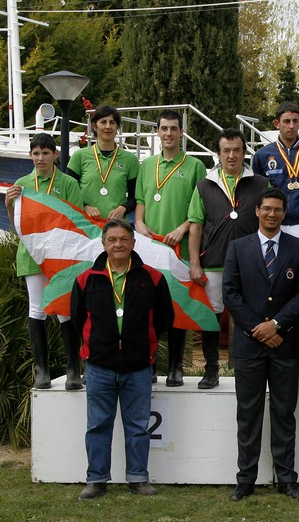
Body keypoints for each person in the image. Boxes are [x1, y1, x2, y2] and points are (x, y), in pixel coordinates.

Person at [222, 187, 299, 502]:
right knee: (247, 414)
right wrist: (257, 329)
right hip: (249, 346)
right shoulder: (237, 247)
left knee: (284, 414)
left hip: (285, 343)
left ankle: (286, 479)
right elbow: (230, 293)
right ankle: (245, 479)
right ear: (257, 211)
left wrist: (276, 325)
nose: (272, 214)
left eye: (278, 209)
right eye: (267, 208)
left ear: (284, 213)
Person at [71, 218, 174, 500]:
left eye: (123, 239)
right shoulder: (86, 279)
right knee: (98, 426)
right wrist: (95, 348)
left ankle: (138, 479)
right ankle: (96, 480)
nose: (118, 244)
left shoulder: (152, 278)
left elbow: (165, 319)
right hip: (99, 366)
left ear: (133, 243)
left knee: (138, 426)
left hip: (138, 366)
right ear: (104, 244)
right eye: (112, 239)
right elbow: (78, 319)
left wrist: (145, 346)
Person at [188, 128, 270, 389]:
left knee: (249, 315)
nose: (232, 155)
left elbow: (270, 220)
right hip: (213, 260)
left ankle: (243, 368)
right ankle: (211, 370)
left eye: (237, 150)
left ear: (244, 152)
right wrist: (194, 263)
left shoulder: (260, 183)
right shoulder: (205, 185)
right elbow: (196, 225)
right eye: (226, 150)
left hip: (250, 262)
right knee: (212, 316)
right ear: (218, 154)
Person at [134, 110, 207, 386]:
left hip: (178, 247)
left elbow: (200, 206)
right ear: (157, 131)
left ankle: (177, 367)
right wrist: (139, 223)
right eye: (163, 128)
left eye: (173, 129)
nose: (168, 134)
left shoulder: (194, 166)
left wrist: (183, 228)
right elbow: (140, 201)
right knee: (147, 308)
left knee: (178, 306)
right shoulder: (147, 164)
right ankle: (150, 364)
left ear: (181, 133)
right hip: (150, 247)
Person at [5, 133, 83, 390]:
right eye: (36, 153)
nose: (40, 158)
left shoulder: (69, 183)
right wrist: (8, 205)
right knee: (37, 309)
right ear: (30, 155)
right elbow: (18, 226)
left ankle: (73, 369)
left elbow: (76, 221)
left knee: (63, 310)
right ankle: (42, 370)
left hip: (60, 257)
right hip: (32, 255)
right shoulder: (22, 182)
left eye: (45, 153)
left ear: (55, 155)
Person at [252, 102, 299, 354]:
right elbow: (260, 193)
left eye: (295, 121)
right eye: (286, 121)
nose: (291, 125)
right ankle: (270, 326)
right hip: (274, 224)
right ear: (276, 124)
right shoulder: (262, 156)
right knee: (270, 278)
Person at [66, 104, 139, 220]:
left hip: (117, 228)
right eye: (103, 122)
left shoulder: (130, 160)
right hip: (86, 226)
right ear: (94, 126)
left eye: (112, 122)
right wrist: (84, 206)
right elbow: (67, 191)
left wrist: (123, 208)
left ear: (117, 127)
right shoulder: (79, 156)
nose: (108, 126)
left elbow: (135, 197)